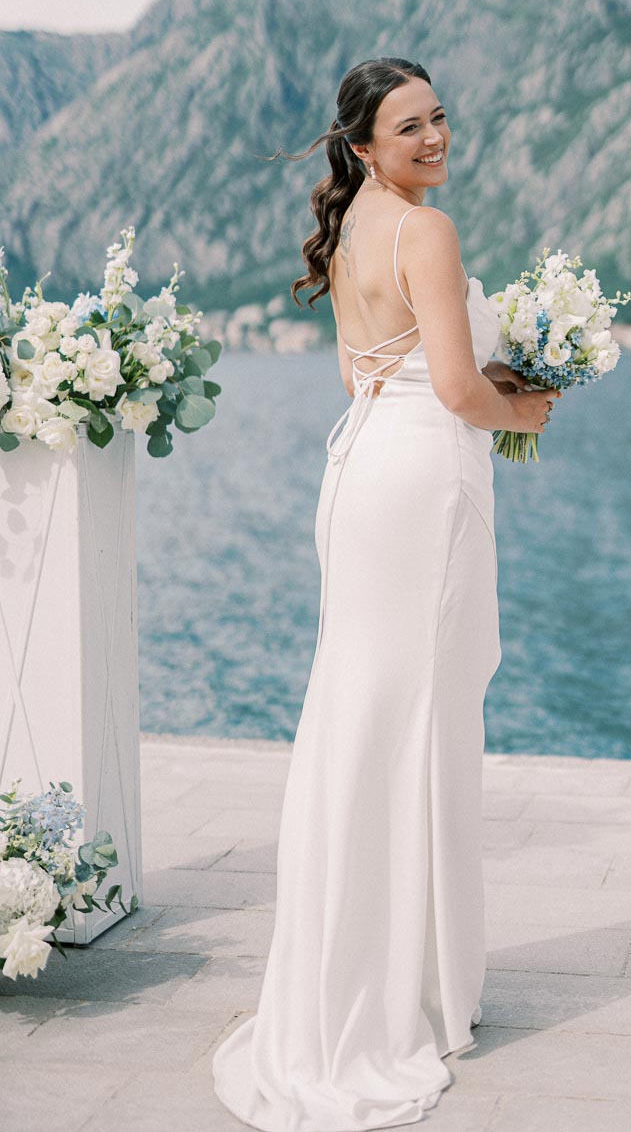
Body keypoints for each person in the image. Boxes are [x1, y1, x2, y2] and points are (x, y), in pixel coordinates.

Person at [212, 57, 559, 1131]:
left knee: (361, 713)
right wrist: (526, 414)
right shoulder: (429, 231)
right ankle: (407, 991)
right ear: (365, 144)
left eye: (441, 118)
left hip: (362, 473)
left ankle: (362, 967)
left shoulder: (357, 225)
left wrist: (479, 394)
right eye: (411, 128)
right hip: (421, 482)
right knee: (418, 722)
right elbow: (456, 390)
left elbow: (371, 369)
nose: (435, 139)